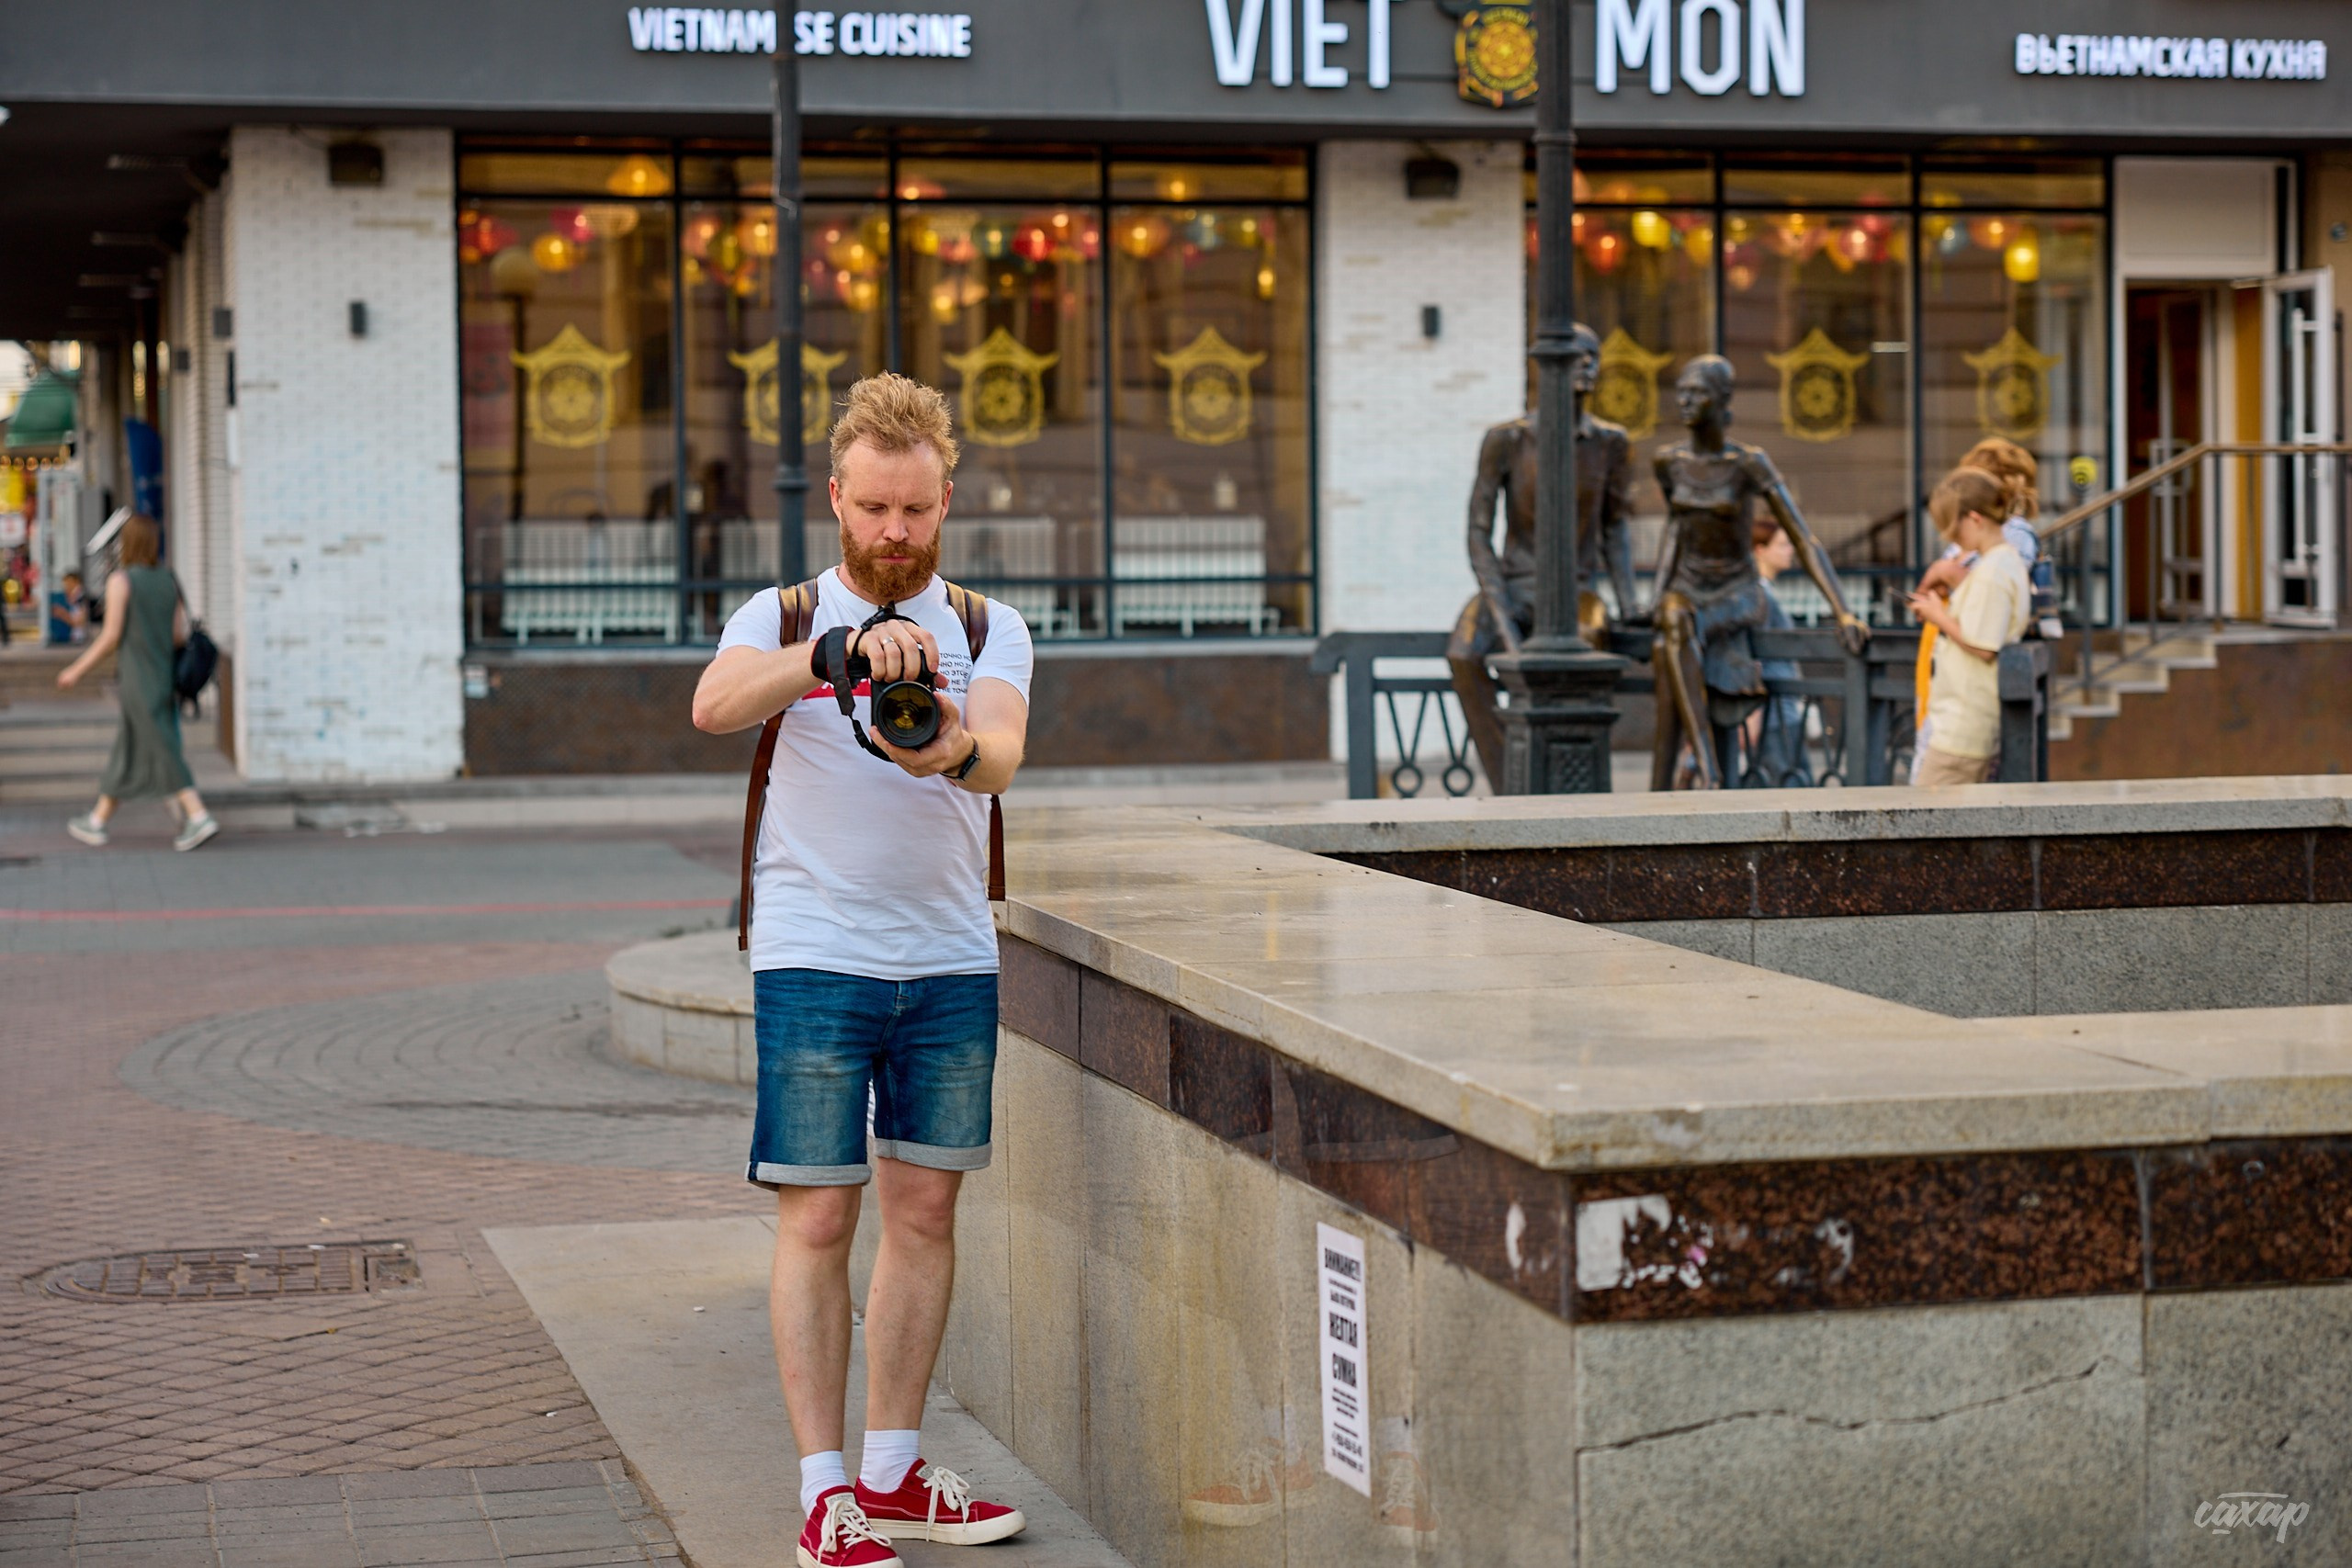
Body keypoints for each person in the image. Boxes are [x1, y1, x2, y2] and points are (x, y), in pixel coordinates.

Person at [690, 374, 1035, 1568]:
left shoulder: (986, 627)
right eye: (875, 507)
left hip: (948, 957)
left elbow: (1002, 758)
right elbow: (713, 705)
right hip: (815, 955)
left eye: (915, 510)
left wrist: (950, 747)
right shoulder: (783, 612)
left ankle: (892, 1473)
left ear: (947, 502)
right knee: (821, 1212)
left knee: (925, 1211)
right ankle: (822, 1490)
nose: (894, 531)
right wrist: (827, 656)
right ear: (836, 496)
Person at [1649, 355, 1868, 790]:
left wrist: (1842, 610)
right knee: (1670, 620)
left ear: (1723, 400)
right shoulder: (1667, 461)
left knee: (1668, 647)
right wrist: (1655, 595)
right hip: (1687, 589)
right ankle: (1708, 766)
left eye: (1698, 392)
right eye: (1682, 391)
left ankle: (1683, 774)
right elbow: (1675, 530)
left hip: (1738, 591)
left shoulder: (1747, 462)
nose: (1685, 400)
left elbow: (1803, 539)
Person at [1446, 321, 1635, 785]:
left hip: (1577, 591)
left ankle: (1575, 780)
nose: (1587, 365)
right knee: (1464, 653)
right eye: (1574, 356)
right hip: (1514, 585)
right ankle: (1509, 782)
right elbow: (1477, 532)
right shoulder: (1508, 440)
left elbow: (1615, 527)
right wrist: (1500, 613)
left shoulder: (1610, 443)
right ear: (1546, 368)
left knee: (1585, 649)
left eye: (1593, 356)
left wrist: (1629, 603)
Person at [55, 520, 220, 851]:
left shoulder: (121, 581)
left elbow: (111, 636)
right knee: (129, 747)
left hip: (137, 679)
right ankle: (98, 819)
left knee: (161, 746)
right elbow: (177, 635)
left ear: (126, 544)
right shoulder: (168, 580)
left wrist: (76, 670)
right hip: (163, 675)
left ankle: (198, 814)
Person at [1906, 467, 2031, 786]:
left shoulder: (1992, 571)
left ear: (1974, 519)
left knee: (1927, 812)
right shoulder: (2004, 563)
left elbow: (1983, 645)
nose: (1953, 540)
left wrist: (1937, 615)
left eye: (1954, 530)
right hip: (1967, 723)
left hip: (1962, 728)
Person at [1742, 518, 1813, 787]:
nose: (1790, 550)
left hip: (1781, 707)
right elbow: (1753, 654)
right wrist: (1752, 715)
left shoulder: (1762, 592)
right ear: (1760, 550)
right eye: (1782, 545)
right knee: (1788, 788)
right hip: (1773, 711)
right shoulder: (1758, 594)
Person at [47, 569, 88, 646]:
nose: (66, 587)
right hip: (71, 637)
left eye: (69, 583)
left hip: (77, 639)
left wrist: (62, 613)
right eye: (65, 584)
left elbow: (78, 622)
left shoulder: (80, 599)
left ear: (76, 583)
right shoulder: (70, 598)